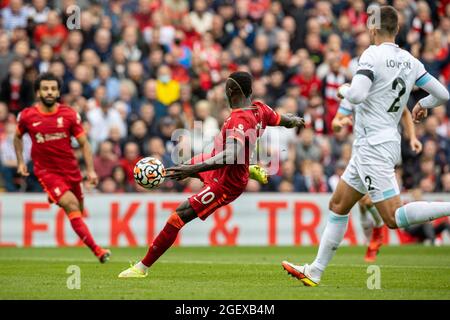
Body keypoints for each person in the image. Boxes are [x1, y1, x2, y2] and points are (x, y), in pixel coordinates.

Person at [282, 5, 450, 287]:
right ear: (397, 29)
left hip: (374, 147)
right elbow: (442, 94)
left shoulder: (371, 55)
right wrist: (423, 103)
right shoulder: (410, 61)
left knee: (394, 217)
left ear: (373, 29)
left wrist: (344, 91)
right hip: (372, 146)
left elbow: (357, 95)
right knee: (338, 204)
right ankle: (315, 271)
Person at [118, 71, 305, 278]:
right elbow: (282, 120)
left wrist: (192, 171)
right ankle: (245, 168)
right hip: (219, 163)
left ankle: (141, 268)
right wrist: (296, 120)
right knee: (183, 165)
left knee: (177, 216)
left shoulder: (239, 119)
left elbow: (231, 154)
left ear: (230, 91)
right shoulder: (260, 109)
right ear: (250, 91)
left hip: (225, 183)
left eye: (225, 86)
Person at [14, 72, 111, 263]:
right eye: (45, 89)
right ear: (38, 93)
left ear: (58, 92)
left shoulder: (69, 115)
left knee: (78, 210)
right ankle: (98, 251)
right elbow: (17, 137)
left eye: (53, 88)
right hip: (47, 172)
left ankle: (56, 196)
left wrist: (90, 170)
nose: (49, 92)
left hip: (71, 171)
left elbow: (84, 143)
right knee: (71, 204)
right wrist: (20, 161)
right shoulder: (27, 116)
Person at [331, 99, 423, 262]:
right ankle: (373, 238)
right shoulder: (356, 92)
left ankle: (377, 233)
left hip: (382, 154)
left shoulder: (384, 91)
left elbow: (405, 112)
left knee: (366, 202)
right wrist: (341, 122)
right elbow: (335, 124)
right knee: (360, 203)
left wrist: (412, 137)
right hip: (362, 152)